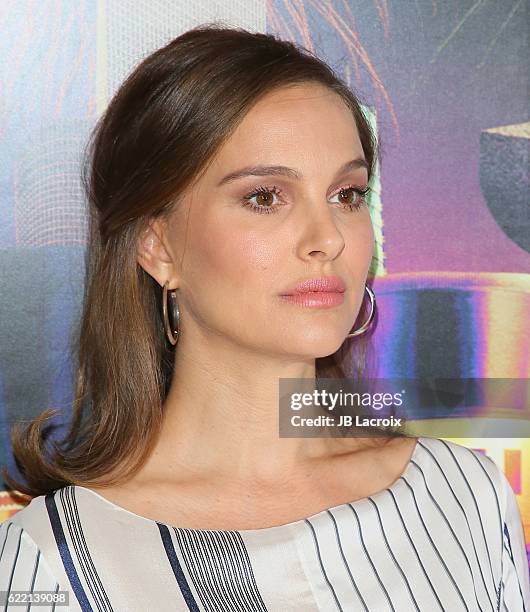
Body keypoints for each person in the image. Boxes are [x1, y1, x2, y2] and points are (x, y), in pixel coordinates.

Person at [1, 24, 528, 611]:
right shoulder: (57, 559)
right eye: (264, 197)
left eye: (347, 194)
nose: (326, 238)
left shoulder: (461, 499)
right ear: (159, 246)